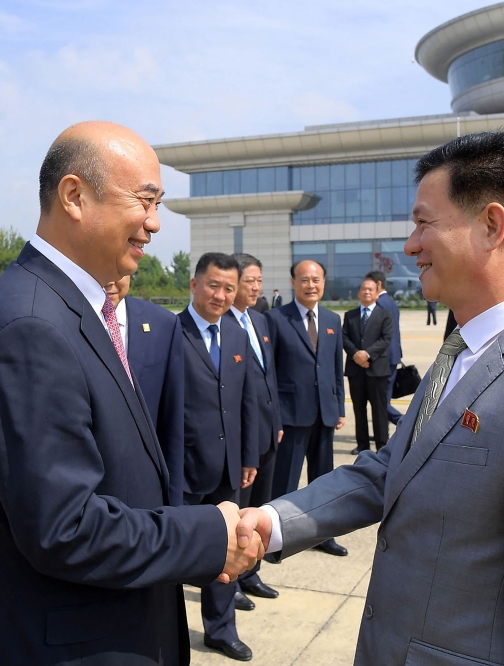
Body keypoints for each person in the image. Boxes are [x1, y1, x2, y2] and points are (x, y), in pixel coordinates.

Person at [240, 131, 504, 665]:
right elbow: (393, 469)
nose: (410, 244)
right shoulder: (461, 351)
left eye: (424, 222)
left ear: (491, 226)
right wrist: (272, 521)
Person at [0, 122, 262, 666]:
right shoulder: (33, 327)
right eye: (144, 201)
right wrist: (208, 533)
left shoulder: (65, 307)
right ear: (74, 196)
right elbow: (65, 528)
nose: (154, 224)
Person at [178, 252, 260, 662]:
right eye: (214, 285)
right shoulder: (171, 333)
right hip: (185, 470)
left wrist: (248, 457)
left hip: (228, 469)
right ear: (194, 285)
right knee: (176, 555)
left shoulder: (237, 335)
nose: (221, 295)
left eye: (229, 288)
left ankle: (220, 630)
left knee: (228, 550)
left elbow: (246, 401)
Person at [265, 259, 348, 557]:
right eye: (304, 280)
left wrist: (339, 406)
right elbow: (270, 373)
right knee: (285, 480)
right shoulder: (275, 318)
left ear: (323, 282)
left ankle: (323, 535)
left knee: (324, 479)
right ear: (293, 282)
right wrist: (275, 417)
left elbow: (336, 368)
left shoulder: (332, 320)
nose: (311, 285)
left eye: (316, 280)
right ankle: (277, 540)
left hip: (324, 413)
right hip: (291, 415)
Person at [228, 253, 283, 606]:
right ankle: (229, 579)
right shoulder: (223, 325)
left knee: (260, 507)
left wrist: (277, 422)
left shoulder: (260, 321)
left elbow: (269, 377)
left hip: (267, 433)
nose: (255, 287)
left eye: (258, 281)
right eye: (249, 281)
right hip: (241, 439)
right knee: (238, 512)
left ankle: (251, 573)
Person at [105, 276, 185, 506]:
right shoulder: (67, 319)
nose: (110, 281)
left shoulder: (163, 324)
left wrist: (174, 505)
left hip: (146, 490)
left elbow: (172, 423)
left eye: (118, 272)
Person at [343, 277, 394, 455]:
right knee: (359, 409)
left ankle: (382, 445)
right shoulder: (350, 315)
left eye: (370, 289)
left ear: (376, 294)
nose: (366, 292)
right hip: (355, 370)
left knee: (379, 410)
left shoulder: (385, 315)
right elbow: (344, 338)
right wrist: (356, 354)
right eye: (363, 289)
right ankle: (362, 444)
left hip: (377, 369)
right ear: (358, 293)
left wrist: (367, 354)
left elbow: (386, 339)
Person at [367, 271, 403, 425]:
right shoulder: (391, 302)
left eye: (370, 287)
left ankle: (403, 421)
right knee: (384, 397)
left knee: (379, 399)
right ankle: (383, 428)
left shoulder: (379, 304)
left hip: (382, 357)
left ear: (378, 284)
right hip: (393, 355)